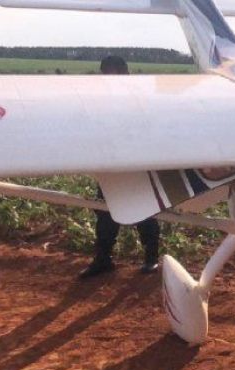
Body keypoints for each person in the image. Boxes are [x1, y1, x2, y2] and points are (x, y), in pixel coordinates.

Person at [79, 56, 161, 279]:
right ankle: (103, 259)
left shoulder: (140, 97)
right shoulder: (99, 100)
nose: (111, 79)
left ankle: (152, 258)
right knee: (105, 212)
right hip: (111, 162)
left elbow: (149, 127)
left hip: (136, 162)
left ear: (126, 73)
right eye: (107, 75)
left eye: (115, 74)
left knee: (144, 209)